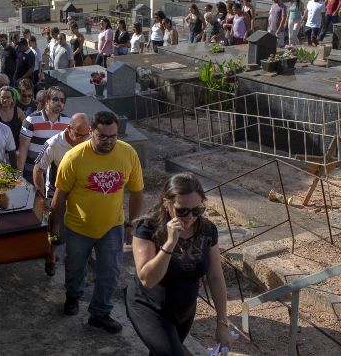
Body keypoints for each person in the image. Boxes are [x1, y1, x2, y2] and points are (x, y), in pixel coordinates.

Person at [51, 111, 144, 334]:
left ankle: (100, 313)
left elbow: (137, 191)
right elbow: (60, 195)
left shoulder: (128, 154)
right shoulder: (74, 158)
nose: (108, 141)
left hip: (112, 226)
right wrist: (54, 225)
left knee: (111, 272)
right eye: (102, 136)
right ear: (91, 133)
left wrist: (132, 224)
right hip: (77, 227)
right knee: (75, 267)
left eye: (113, 136)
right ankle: (73, 296)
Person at [125, 173, 231, 356]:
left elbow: (215, 276)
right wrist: (169, 244)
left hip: (183, 310)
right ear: (167, 204)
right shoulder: (147, 228)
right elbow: (147, 279)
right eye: (182, 211)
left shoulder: (207, 230)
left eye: (197, 210)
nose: (190, 217)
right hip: (149, 307)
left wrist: (222, 323)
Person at [33, 113, 91, 276]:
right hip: (56, 188)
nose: (83, 138)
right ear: (69, 129)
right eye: (79, 135)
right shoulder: (53, 144)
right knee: (54, 224)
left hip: (79, 188)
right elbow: (38, 169)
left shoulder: (88, 139)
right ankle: (51, 256)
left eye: (86, 134)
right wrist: (41, 195)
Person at [18, 86, 71, 185]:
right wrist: (19, 176)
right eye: (55, 99)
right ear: (46, 101)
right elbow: (23, 148)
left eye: (62, 100)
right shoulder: (31, 120)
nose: (59, 103)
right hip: (32, 173)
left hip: (56, 175)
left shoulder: (68, 123)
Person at [0, 85, 25, 158]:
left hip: (15, 151)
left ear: (12, 99)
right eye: (3, 97)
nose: (5, 100)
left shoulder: (18, 112)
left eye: (8, 97)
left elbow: (26, 129)